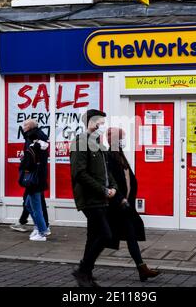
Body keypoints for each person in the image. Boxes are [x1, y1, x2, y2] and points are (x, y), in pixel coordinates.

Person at [70, 109, 118, 287]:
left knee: (93, 236)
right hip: (90, 198)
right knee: (106, 235)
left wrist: (113, 187)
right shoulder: (80, 141)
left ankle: (86, 277)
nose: (102, 126)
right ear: (91, 122)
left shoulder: (98, 144)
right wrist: (103, 190)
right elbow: (79, 173)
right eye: (100, 122)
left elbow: (107, 171)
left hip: (101, 198)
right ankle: (83, 270)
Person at [106, 127, 160, 282]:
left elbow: (128, 179)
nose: (123, 141)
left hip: (125, 206)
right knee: (101, 238)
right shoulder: (109, 157)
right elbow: (111, 182)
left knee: (131, 236)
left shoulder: (120, 156)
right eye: (120, 139)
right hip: (117, 206)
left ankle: (142, 268)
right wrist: (120, 198)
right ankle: (86, 266)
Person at [10, 119, 50, 235]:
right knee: (31, 201)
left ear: (31, 126)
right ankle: (39, 226)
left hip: (34, 176)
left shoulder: (34, 137)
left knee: (34, 202)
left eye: (26, 124)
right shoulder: (34, 136)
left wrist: (25, 161)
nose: (23, 126)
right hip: (37, 175)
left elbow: (33, 157)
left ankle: (42, 229)